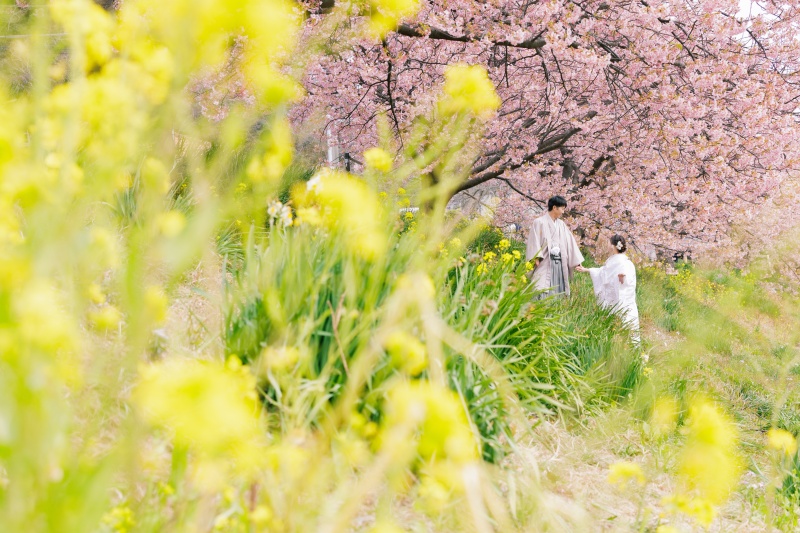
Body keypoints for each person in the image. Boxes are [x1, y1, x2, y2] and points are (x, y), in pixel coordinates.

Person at [576, 235, 640, 343]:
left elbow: (628, 280)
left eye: (609, 244)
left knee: (622, 320)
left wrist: (622, 279)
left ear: (614, 246)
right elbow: (603, 272)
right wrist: (587, 270)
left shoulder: (625, 262)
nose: (608, 246)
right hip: (612, 297)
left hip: (620, 299)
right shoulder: (613, 260)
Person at [526, 195, 585, 297]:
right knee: (540, 285)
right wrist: (536, 256)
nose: (563, 212)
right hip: (544, 260)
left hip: (560, 261)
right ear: (554, 207)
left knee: (559, 286)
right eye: (562, 208)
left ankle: (556, 307)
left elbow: (570, 242)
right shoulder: (539, 222)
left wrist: (577, 262)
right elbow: (533, 240)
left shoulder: (561, 224)